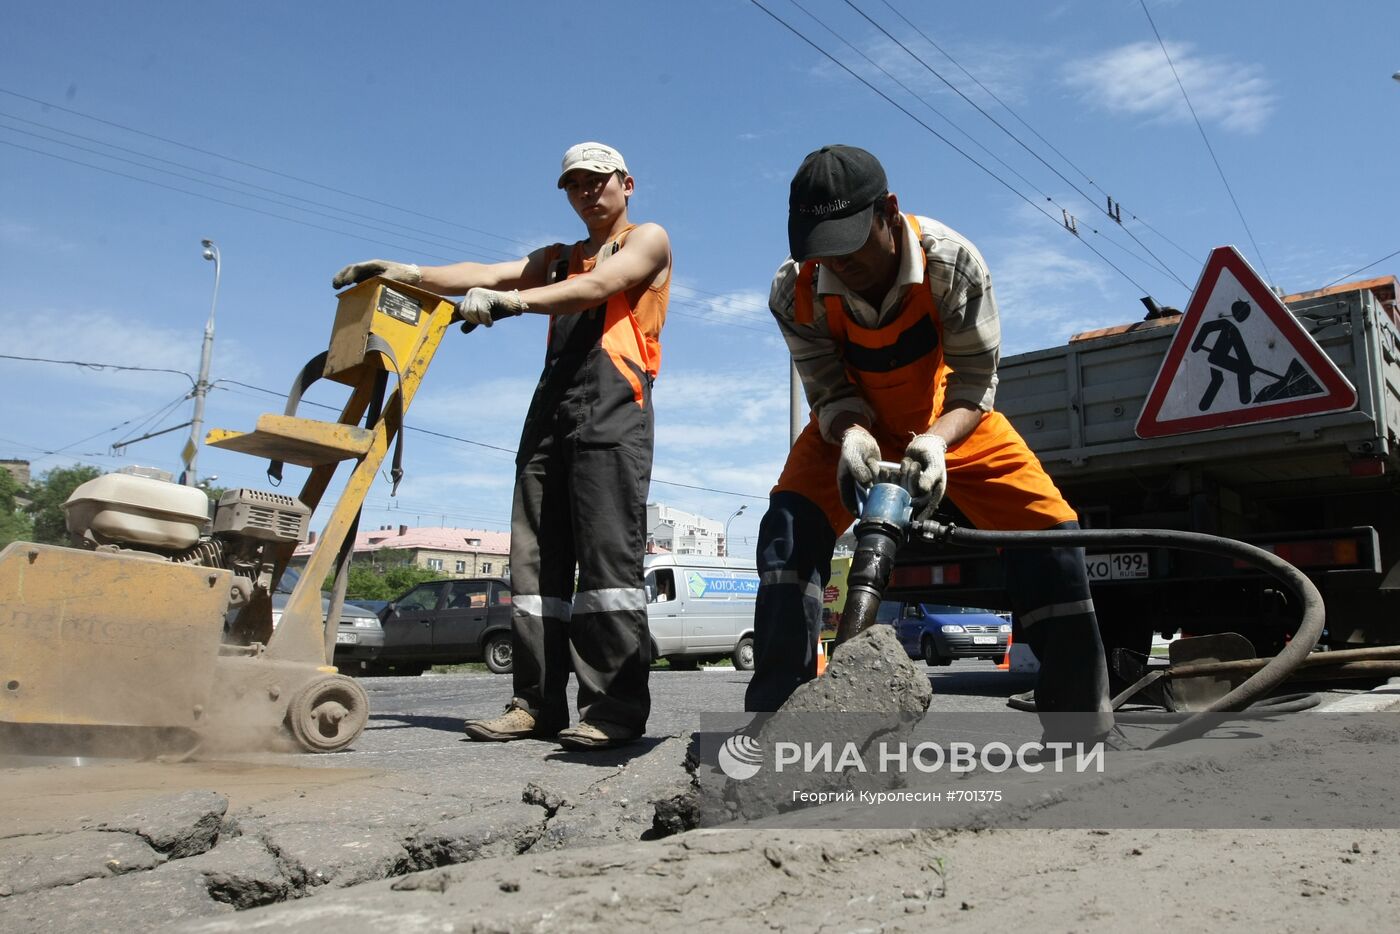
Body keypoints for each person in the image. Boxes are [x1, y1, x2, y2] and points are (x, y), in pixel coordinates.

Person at [747, 144, 1112, 742]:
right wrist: (852, 433)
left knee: (1048, 530)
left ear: (889, 211)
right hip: (852, 428)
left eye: (849, 244)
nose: (837, 264)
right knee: (787, 531)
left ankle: (1080, 727)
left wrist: (936, 443)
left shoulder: (953, 264)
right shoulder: (797, 290)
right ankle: (776, 729)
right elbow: (827, 388)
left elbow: (975, 383)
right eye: (822, 251)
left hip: (947, 415)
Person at [331, 142, 671, 750]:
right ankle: (536, 704)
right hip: (551, 411)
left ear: (626, 183)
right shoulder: (560, 257)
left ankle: (613, 710)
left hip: (614, 411)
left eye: (598, 181)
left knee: (606, 567)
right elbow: (483, 274)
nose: (587, 193)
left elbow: (600, 287)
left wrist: (513, 303)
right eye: (574, 185)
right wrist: (406, 273)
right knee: (535, 564)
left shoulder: (645, 240)